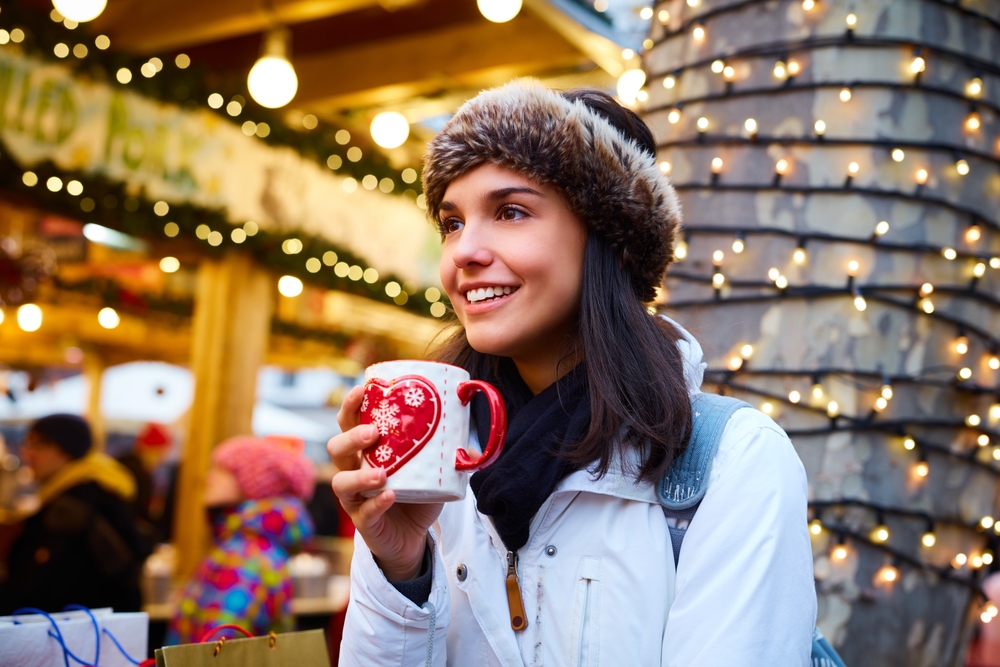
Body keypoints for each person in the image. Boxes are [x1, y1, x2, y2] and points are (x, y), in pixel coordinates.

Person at [329, 80, 816, 665]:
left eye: (510, 212)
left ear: (609, 240)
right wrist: (400, 568)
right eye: (452, 222)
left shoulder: (732, 462)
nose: (463, 252)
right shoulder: (435, 466)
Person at [167, 435, 316, 644]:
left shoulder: (244, 557)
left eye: (222, 470)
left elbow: (213, 652)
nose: (209, 477)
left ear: (255, 484)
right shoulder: (260, 547)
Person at [0, 413, 149, 615]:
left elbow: (40, 586)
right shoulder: (93, 490)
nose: (27, 453)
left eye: (39, 445)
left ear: (66, 450)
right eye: (27, 443)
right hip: (96, 626)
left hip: (77, 630)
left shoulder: (75, 504)